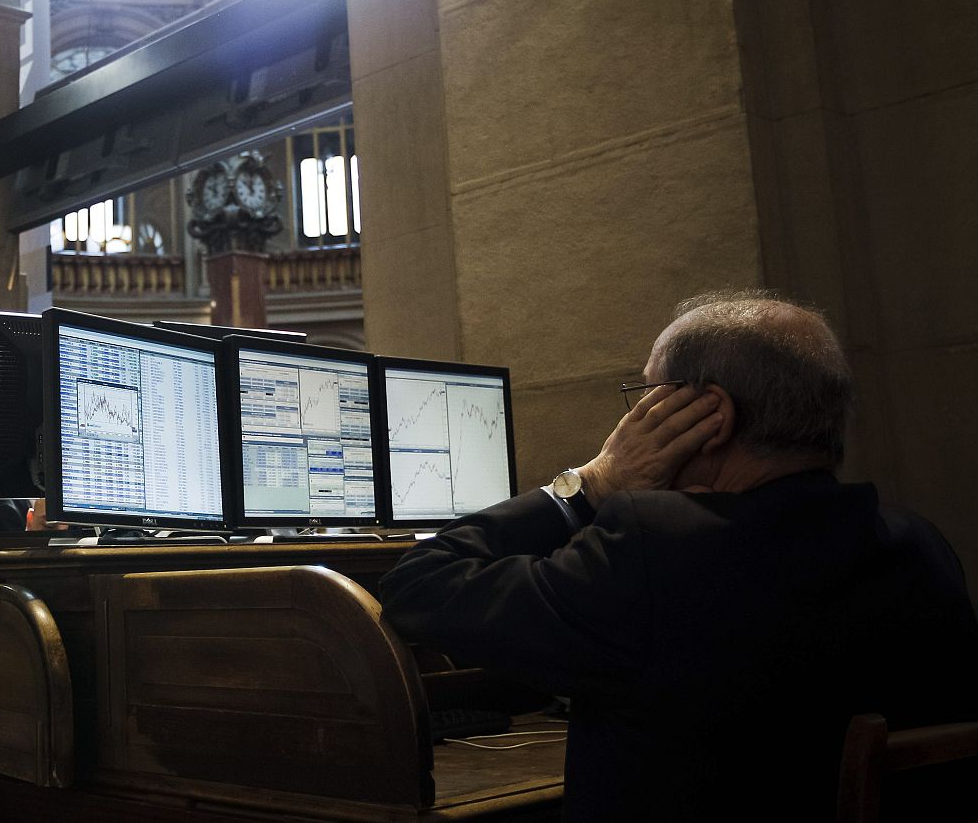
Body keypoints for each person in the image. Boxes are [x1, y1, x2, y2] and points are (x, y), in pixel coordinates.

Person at [380, 290, 978, 821]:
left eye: (645, 396)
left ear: (708, 418)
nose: (632, 418)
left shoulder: (657, 543)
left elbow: (420, 584)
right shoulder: (918, 544)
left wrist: (592, 483)